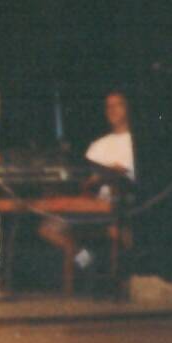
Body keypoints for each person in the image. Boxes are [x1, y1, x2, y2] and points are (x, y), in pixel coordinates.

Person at [38, 89, 136, 282]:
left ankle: (124, 277)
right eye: (108, 106)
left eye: (117, 105)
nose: (112, 110)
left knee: (120, 231)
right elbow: (83, 177)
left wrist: (107, 174)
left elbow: (126, 175)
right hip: (89, 205)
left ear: (127, 109)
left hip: (120, 207)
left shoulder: (135, 142)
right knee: (48, 228)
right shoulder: (97, 145)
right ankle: (87, 261)